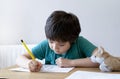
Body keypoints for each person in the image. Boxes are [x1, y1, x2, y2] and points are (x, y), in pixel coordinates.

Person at [16, 10, 99, 72]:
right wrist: (28, 64)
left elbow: (100, 59)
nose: (55, 48)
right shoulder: (45, 45)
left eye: (61, 44)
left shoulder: (79, 42)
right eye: (51, 42)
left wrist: (71, 63)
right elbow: (19, 58)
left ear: (72, 40)